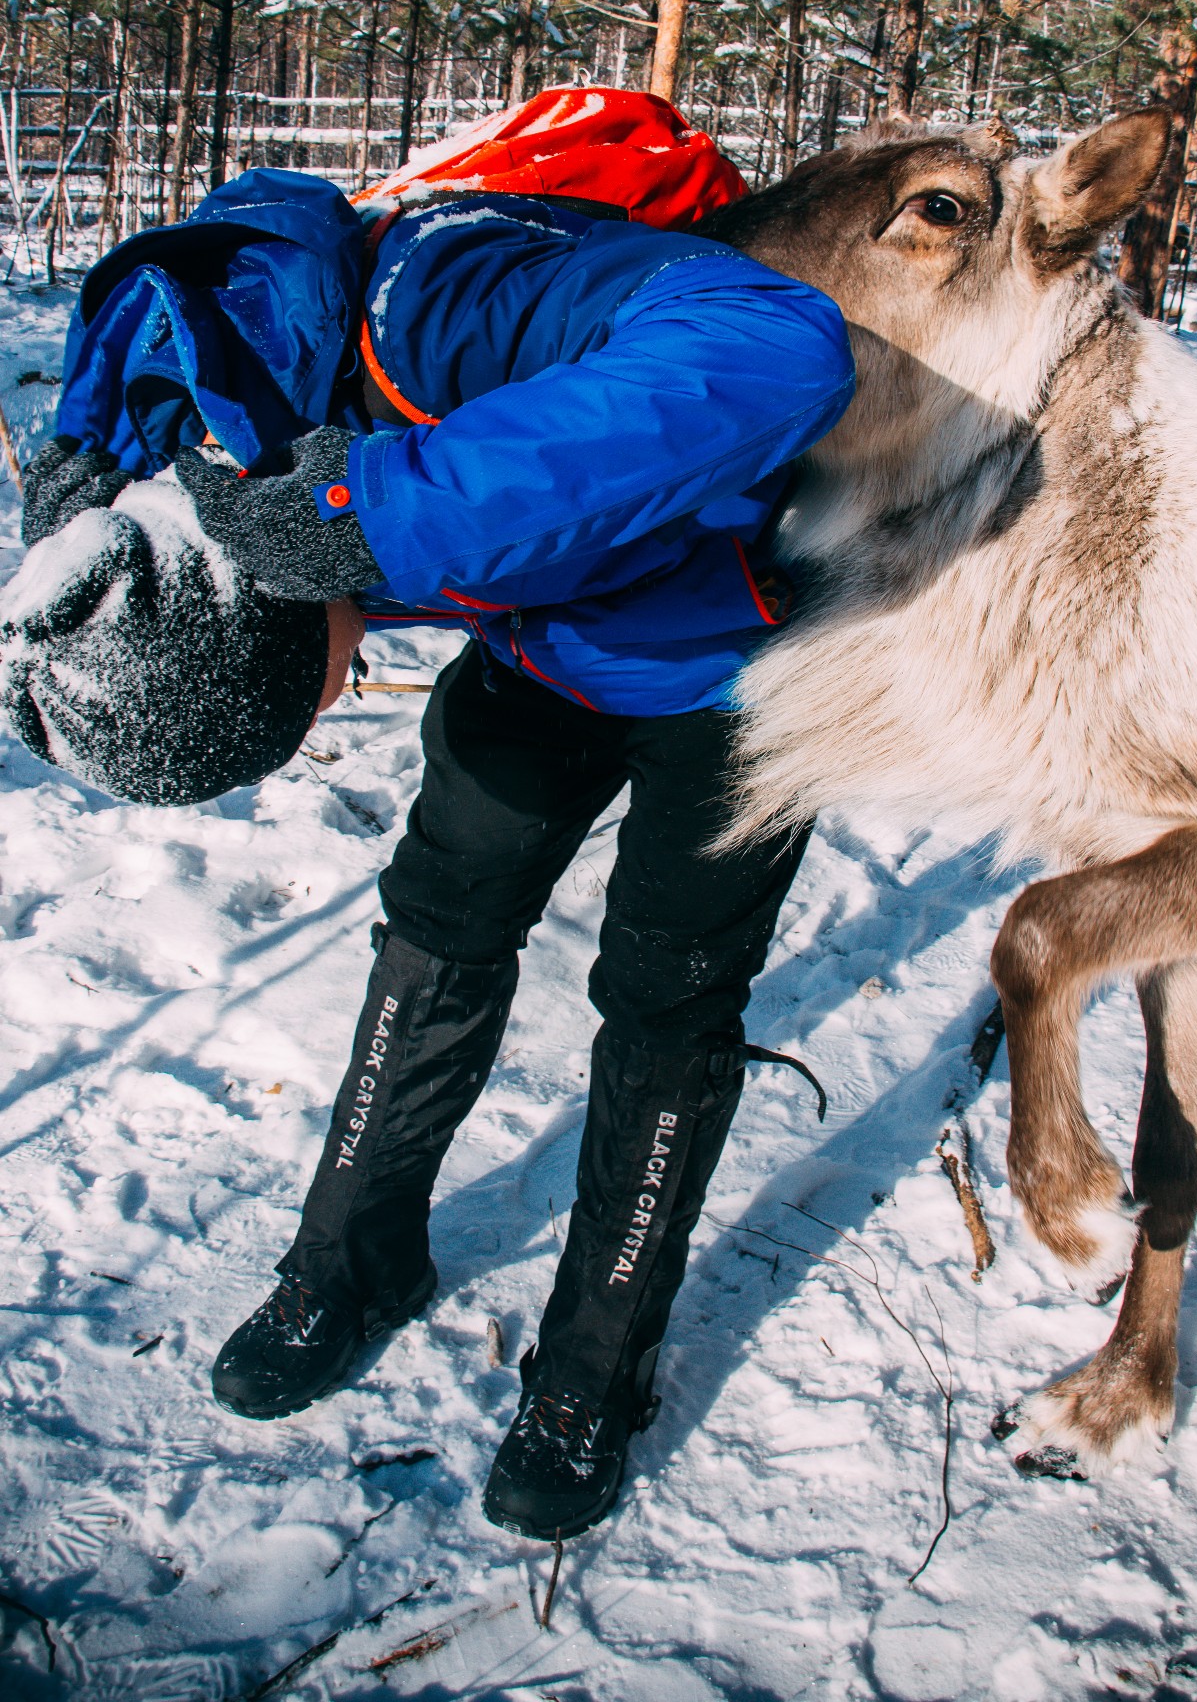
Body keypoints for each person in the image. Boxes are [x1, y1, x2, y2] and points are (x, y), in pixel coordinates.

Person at [4, 90, 853, 1541]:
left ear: (274, 601)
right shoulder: (199, 449)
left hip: (741, 680)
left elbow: (776, 344)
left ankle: (595, 1365)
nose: (335, 699)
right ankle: (350, 1261)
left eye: (305, 688)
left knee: (666, 1003)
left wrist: (388, 519)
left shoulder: (454, 295)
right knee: (435, 936)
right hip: (539, 650)